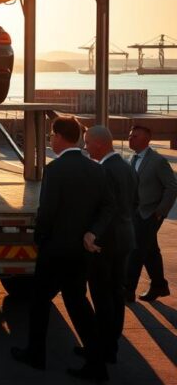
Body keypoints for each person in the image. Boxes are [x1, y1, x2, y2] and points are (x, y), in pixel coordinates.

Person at [11, 116, 113, 383]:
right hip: (80, 250)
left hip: (55, 248)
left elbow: (47, 211)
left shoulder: (55, 169)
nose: (50, 140)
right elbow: (108, 207)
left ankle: (36, 354)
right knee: (78, 303)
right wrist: (92, 232)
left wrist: (40, 238)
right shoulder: (96, 169)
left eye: (51, 135)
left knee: (39, 301)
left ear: (58, 136)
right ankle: (97, 364)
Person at [81, 125, 136, 364]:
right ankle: (111, 346)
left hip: (105, 242)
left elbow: (105, 208)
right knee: (116, 293)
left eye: (87, 143)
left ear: (100, 144)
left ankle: (102, 348)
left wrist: (92, 233)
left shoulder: (103, 170)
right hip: (125, 238)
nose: (85, 148)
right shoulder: (127, 167)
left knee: (102, 296)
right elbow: (134, 203)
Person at [126, 125, 177, 302]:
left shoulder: (157, 161)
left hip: (150, 213)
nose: (130, 139)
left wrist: (160, 212)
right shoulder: (131, 158)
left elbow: (172, 187)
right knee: (150, 250)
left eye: (135, 136)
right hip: (134, 213)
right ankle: (159, 285)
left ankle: (127, 290)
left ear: (146, 139)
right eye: (130, 135)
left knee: (136, 251)